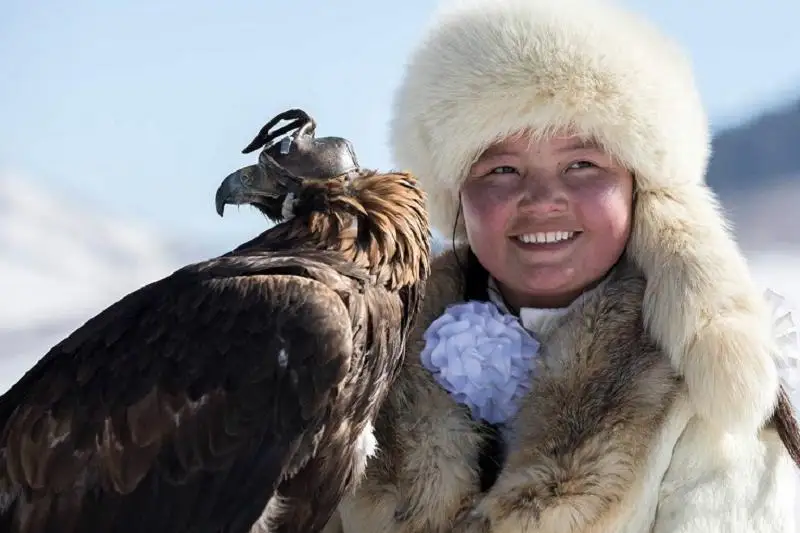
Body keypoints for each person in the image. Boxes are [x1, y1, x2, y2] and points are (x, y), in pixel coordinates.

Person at [323, 0, 800, 531]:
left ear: (639, 188)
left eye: (582, 164)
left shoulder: (704, 393)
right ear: (455, 196)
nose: (543, 198)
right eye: (502, 168)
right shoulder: (366, 367)